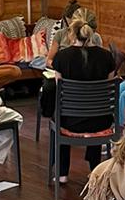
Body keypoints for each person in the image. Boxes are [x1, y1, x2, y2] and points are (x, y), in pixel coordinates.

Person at [39, 18, 115, 180]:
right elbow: (107, 88)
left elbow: (60, 89)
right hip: (101, 121)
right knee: (94, 106)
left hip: (70, 122)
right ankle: (96, 170)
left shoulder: (62, 57)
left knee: (60, 114)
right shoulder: (107, 57)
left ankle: (62, 173)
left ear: (72, 34)